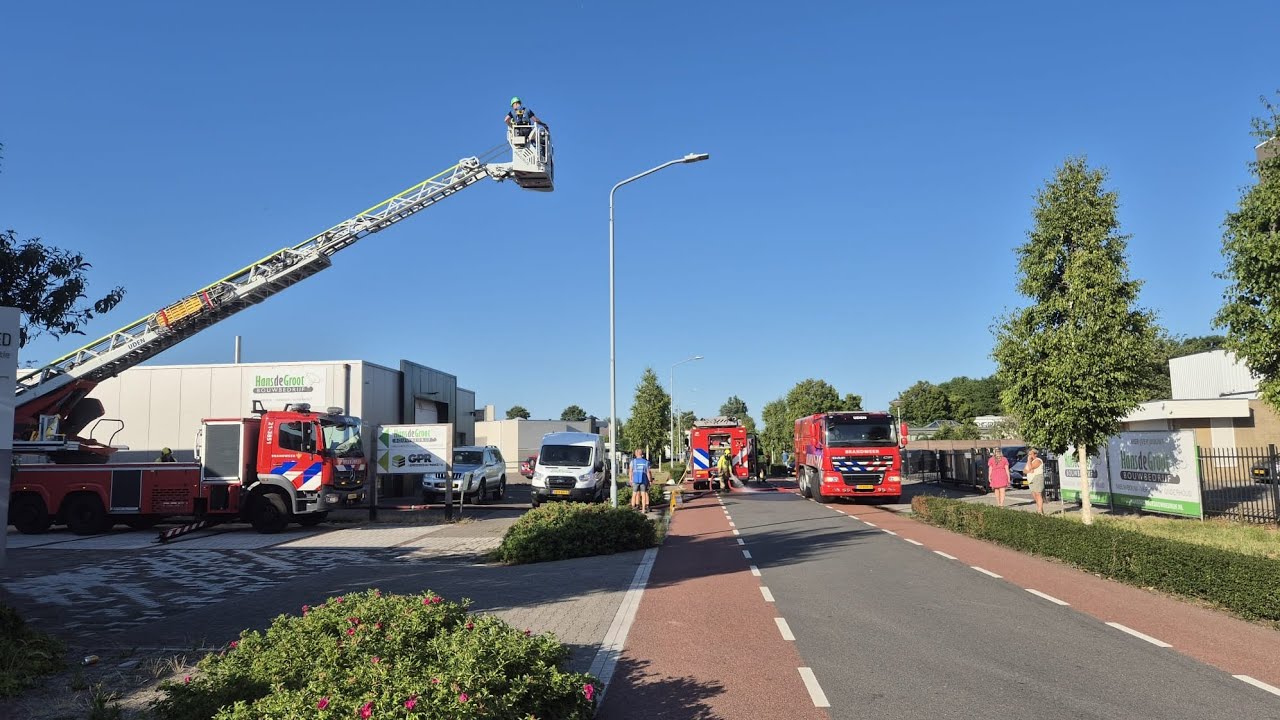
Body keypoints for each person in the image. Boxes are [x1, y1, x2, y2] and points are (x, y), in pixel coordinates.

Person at [630, 448, 652, 512]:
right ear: (642, 454)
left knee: (634, 494)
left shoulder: (633, 461)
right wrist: (650, 480)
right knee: (644, 494)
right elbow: (648, 472)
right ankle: (643, 510)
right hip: (643, 480)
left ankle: (633, 508)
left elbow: (630, 471)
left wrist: (630, 479)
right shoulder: (646, 462)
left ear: (636, 454)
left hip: (635, 480)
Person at [1025, 448, 1046, 514]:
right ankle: (1040, 509)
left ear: (1035, 454)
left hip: (1037, 478)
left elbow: (1031, 467)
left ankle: (1039, 510)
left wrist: (1029, 461)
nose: (1029, 456)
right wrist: (1029, 470)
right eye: (1028, 454)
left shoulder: (1038, 460)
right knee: (1034, 495)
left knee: (1038, 494)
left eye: (1031, 454)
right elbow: (1024, 470)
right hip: (1031, 479)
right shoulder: (1029, 462)